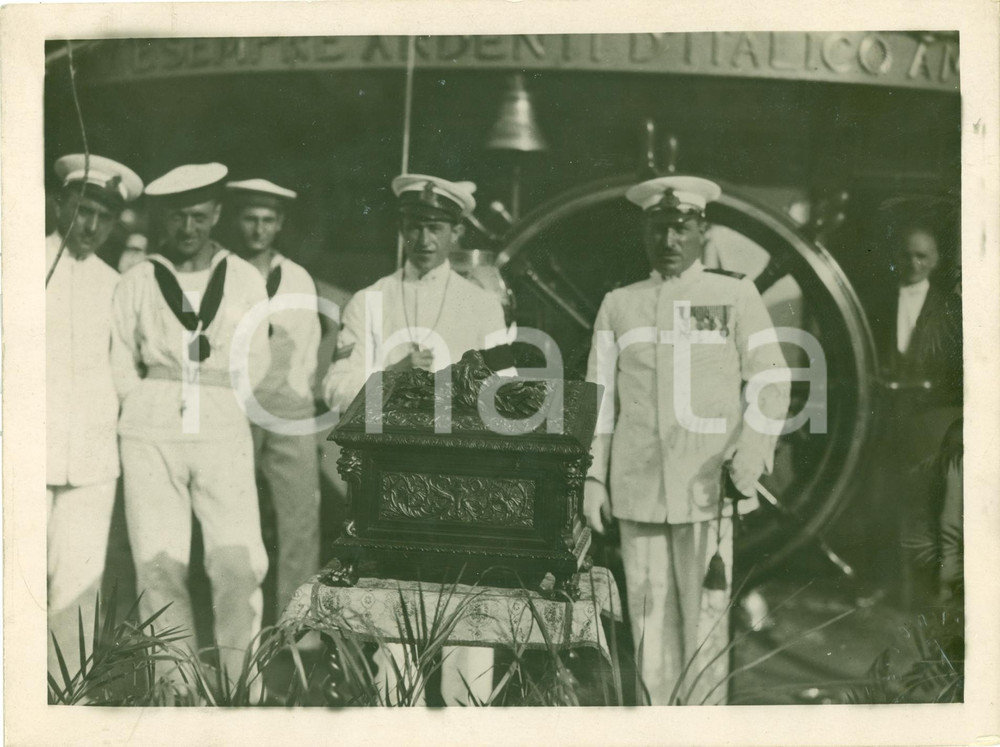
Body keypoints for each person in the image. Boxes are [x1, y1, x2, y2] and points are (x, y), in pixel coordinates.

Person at [583, 176, 790, 705]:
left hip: (708, 488)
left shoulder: (734, 295)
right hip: (639, 489)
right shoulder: (618, 305)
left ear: (702, 230)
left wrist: (752, 449)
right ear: (646, 232)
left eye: (681, 228)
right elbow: (599, 400)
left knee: (706, 626)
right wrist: (593, 477)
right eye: (659, 228)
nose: (670, 240)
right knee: (648, 627)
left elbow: (771, 376)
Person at [322, 174, 508, 706]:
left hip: (466, 482)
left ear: (454, 233)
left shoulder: (481, 306)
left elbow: (506, 398)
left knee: (470, 620)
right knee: (394, 624)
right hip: (391, 484)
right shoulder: (369, 300)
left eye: (436, 227)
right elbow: (335, 387)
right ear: (401, 229)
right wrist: (396, 372)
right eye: (414, 226)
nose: (424, 239)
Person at [111, 162, 272, 684]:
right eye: (178, 218)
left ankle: (239, 683)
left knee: (238, 562)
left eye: (199, 217)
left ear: (216, 214)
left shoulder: (244, 278)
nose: (188, 230)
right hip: (151, 425)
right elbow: (118, 355)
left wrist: (224, 401)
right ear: (164, 219)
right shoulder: (138, 277)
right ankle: (174, 689)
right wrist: (147, 399)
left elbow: (259, 357)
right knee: (158, 561)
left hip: (222, 421)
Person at [46, 153, 143, 676]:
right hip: (20, 453)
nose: (90, 226)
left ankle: (64, 697)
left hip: (90, 457)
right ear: (58, 203)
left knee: (78, 588)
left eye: (103, 218)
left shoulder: (118, 285)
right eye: (82, 210)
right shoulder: (18, 266)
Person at [226, 178, 322, 621]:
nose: (258, 229)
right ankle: (238, 624)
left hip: (287, 408)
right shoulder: (221, 272)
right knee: (234, 521)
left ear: (279, 223)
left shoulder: (296, 276)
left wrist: (295, 398)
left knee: (299, 520)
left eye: (267, 220)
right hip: (234, 408)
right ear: (235, 220)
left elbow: (308, 344)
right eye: (250, 218)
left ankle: (296, 630)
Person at [866, 223, 962, 607]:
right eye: (907, 254)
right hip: (883, 418)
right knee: (880, 498)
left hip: (928, 421)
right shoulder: (878, 302)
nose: (913, 262)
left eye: (922, 255)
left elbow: (957, 370)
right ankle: (881, 585)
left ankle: (923, 593)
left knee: (925, 502)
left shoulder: (948, 308)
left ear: (935, 261)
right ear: (896, 257)